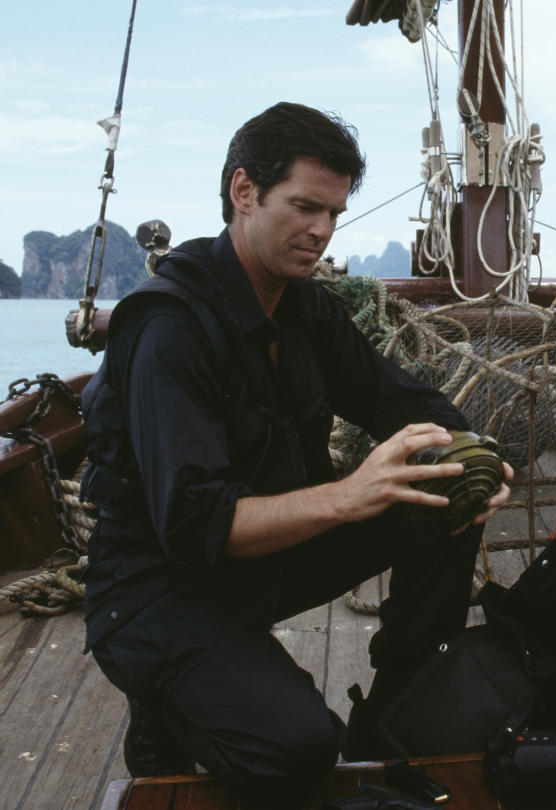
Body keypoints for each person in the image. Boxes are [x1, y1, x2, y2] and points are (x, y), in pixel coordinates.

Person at [79, 101, 513, 806]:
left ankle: (401, 707)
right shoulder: (169, 330)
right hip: (158, 592)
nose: (321, 231)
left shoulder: (305, 307)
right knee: (301, 748)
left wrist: (474, 454)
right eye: (305, 207)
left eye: (335, 214)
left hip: (263, 559)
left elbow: (400, 400)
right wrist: (349, 494)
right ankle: (167, 717)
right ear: (243, 191)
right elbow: (196, 528)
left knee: (446, 487)